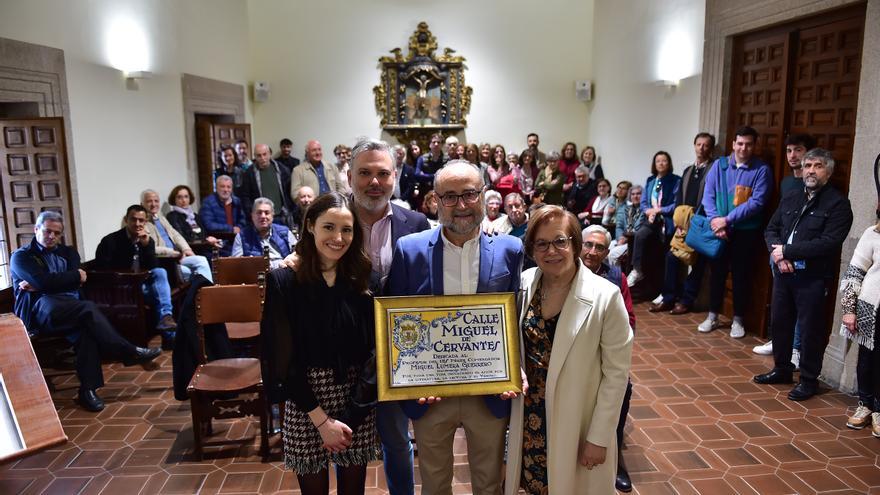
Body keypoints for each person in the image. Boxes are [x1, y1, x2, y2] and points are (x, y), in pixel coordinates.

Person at [387, 160, 524, 495]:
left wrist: (515, 366)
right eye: (449, 196)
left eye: (469, 195)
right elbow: (395, 320)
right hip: (431, 392)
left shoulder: (510, 249)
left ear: (483, 196)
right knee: (434, 482)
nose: (461, 205)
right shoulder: (410, 250)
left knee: (489, 480)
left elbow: (516, 315)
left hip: (489, 389)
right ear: (435, 200)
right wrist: (408, 381)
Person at [505, 206, 633, 494]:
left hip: (578, 423)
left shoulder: (606, 296)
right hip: (531, 419)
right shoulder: (524, 284)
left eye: (560, 241)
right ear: (532, 249)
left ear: (575, 243)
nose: (551, 251)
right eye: (541, 243)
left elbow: (617, 375)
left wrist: (599, 436)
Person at [262, 192, 380, 494]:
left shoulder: (364, 279)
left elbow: (375, 353)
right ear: (311, 225)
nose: (338, 238)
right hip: (305, 399)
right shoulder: (284, 281)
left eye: (347, 229)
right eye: (329, 227)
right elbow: (282, 358)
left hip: (357, 397)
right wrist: (322, 422)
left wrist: (352, 414)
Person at [11, 211, 162, 412]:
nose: (52, 237)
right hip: (41, 312)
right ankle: (128, 351)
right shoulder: (22, 256)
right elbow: (48, 281)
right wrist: (60, 280)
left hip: (71, 307)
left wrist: (49, 281)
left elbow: (77, 278)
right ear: (36, 229)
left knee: (86, 329)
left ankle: (88, 392)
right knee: (87, 309)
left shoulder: (68, 253)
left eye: (57, 233)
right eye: (47, 231)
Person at [754, 148, 853, 401]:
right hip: (784, 273)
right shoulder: (792, 196)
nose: (810, 170)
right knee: (781, 323)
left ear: (828, 172)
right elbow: (771, 229)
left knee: (810, 330)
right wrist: (779, 255)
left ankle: (809, 380)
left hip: (813, 277)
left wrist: (788, 251)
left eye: (817, 165)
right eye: (808, 165)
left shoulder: (838, 204)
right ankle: (782, 369)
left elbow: (828, 242)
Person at [698, 126, 773, 338]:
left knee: (741, 275)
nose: (743, 148)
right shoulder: (719, 166)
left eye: (748, 144)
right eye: (740, 143)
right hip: (718, 230)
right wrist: (714, 221)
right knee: (717, 274)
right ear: (733, 144)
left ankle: (738, 320)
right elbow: (708, 195)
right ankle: (712, 316)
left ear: (754, 146)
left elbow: (757, 202)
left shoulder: (761, 170)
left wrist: (727, 220)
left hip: (745, 232)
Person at [580, 224, 636, 492]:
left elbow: (629, 321)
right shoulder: (566, 271)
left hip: (604, 352)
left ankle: (613, 447)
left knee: (622, 387)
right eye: (588, 244)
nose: (592, 252)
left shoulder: (615, 277)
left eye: (599, 247)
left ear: (607, 251)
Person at [753, 133, 816, 357]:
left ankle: (796, 348)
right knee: (781, 301)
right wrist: (778, 252)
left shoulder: (815, 185)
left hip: (804, 253)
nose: (792, 155)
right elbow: (779, 221)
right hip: (780, 251)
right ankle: (779, 341)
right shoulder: (787, 182)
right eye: (789, 151)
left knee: (800, 301)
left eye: (798, 150)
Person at [95, 205, 178, 346]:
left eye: (141, 220)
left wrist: (146, 246)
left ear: (146, 222)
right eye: (133, 220)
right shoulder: (110, 241)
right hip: (121, 287)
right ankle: (169, 335)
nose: (137, 224)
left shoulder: (147, 240)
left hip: (142, 285)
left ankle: (166, 318)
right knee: (160, 293)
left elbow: (153, 267)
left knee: (160, 272)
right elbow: (103, 269)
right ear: (126, 220)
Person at [651, 132, 715, 314]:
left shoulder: (713, 169)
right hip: (684, 224)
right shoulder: (688, 171)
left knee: (698, 262)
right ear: (694, 146)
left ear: (710, 148)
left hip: (702, 224)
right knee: (671, 257)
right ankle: (669, 297)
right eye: (699, 144)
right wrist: (680, 222)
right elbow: (679, 200)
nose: (701, 148)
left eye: (706, 145)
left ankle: (687, 300)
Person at [840, 212, 880, 435]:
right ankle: (865, 405)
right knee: (866, 359)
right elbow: (854, 273)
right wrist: (848, 310)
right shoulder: (872, 234)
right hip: (871, 308)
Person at [627, 151, 682, 287]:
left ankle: (663, 288)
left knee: (663, 253)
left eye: (664, 161)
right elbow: (644, 202)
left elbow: (676, 204)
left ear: (669, 164)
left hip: (667, 221)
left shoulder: (676, 180)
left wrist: (659, 210)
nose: (661, 163)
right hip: (651, 219)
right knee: (639, 235)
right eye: (658, 161)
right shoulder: (651, 180)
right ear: (654, 164)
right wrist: (648, 211)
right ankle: (637, 270)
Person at [140, 189, 213, 283]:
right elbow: (151, 248)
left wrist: (186, 249)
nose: (153, 204)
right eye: (149, 201)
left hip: (178, 257)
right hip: (166, 260)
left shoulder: (161, 217)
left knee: (201, 261)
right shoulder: (142, 223)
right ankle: (207, 293)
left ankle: (206, 293)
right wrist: (173, 253)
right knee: (196, 269)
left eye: (156, 201)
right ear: (142, 204)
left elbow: (175, 235)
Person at [232, 197, 297, 269]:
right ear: (252, 215)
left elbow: (297, 255)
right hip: (256, 275)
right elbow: (236, 264)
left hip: (283, 273)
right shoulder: (242, 236)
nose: (263, 216)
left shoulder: (285, 232)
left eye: (267, 213)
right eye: (259, 213)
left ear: (272, 215)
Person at [240, 143, 294, 221]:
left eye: (265, 154)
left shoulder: (282, 169)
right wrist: (251, 212)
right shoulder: (249, 173)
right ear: (255, 156)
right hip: (261, 217)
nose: (262, 158)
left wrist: (290, 209)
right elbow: (245, 196)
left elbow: (289, 192)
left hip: (281, 215)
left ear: (269, 154)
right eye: (259, 155)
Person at [200, 175, 248, 256]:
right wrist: (231, 229)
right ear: (217, 187)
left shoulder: (236, 201)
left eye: (228, 187)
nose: (226, 190)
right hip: (217, 242)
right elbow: (209, 225)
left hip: (236, 240)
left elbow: (243, 220)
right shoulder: (208, 202)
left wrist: (239, 228)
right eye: (222, 186)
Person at [165, 185, 221, 254]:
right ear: (174, 199)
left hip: (202, 248)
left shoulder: (195, 216)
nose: (183, 200)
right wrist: (204, 240)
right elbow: (180, 237)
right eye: (179, 197)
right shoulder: (172, 216)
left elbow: (203, 234)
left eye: (186, 197)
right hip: (187, 250)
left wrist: (209, 239)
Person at [608, 185, 646, 267]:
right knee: (605, 248)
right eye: (633, 194)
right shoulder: (625, 208)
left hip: (634, 241)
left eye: (638, 194)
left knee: (612, 255)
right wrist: (620, 238)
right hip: (622, 238)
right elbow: (619, 226)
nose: (635, 196)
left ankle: (617, 278)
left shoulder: (645, 210)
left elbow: (639, 229)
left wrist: (626, 239)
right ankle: (607, 274)